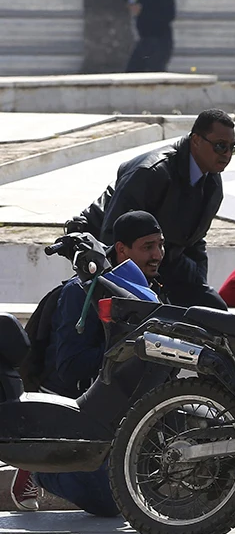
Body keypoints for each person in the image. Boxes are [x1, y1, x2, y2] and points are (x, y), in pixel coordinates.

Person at [10, 211, 167, 516]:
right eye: (148, 247)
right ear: (122, 250)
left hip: (124, 409)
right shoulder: (80, 292)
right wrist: (127, 352)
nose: (157, 254)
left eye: (160, 245)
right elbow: (70, 367)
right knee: (108, 501)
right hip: (74, 410)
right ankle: (39, 469)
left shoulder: (149, 291)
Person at [69, 109, 235, 310]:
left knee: (213, 312)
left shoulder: (213, 185)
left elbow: (195, 243)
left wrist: (198, 282)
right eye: (220, 146)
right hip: (111, 257)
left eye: (231, 148)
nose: (226, 155)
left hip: (163, 259)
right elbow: (113, 237)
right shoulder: (151, 172)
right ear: (196, 141)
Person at [125, 0, 176, 73]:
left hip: (158, 36)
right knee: (133, 73)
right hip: (147, 37)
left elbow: (167, 11)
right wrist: (133, 2)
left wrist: (137, 3)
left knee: (153, 71)